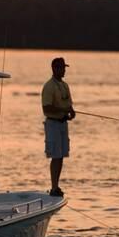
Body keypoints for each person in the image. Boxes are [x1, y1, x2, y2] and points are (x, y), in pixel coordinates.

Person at [41, 58, 75, 196]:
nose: (64, 70)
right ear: (54, 68)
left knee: (61, 156)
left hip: (63, 124)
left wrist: (71, 111)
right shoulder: (49, 86)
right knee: (55, 156)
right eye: (61, 68)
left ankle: (57, 186)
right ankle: (54, 187)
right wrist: (61, 112)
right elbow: (46, 107)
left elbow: (68, 103)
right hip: (53, 124)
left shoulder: (65, 85)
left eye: (64, 67)